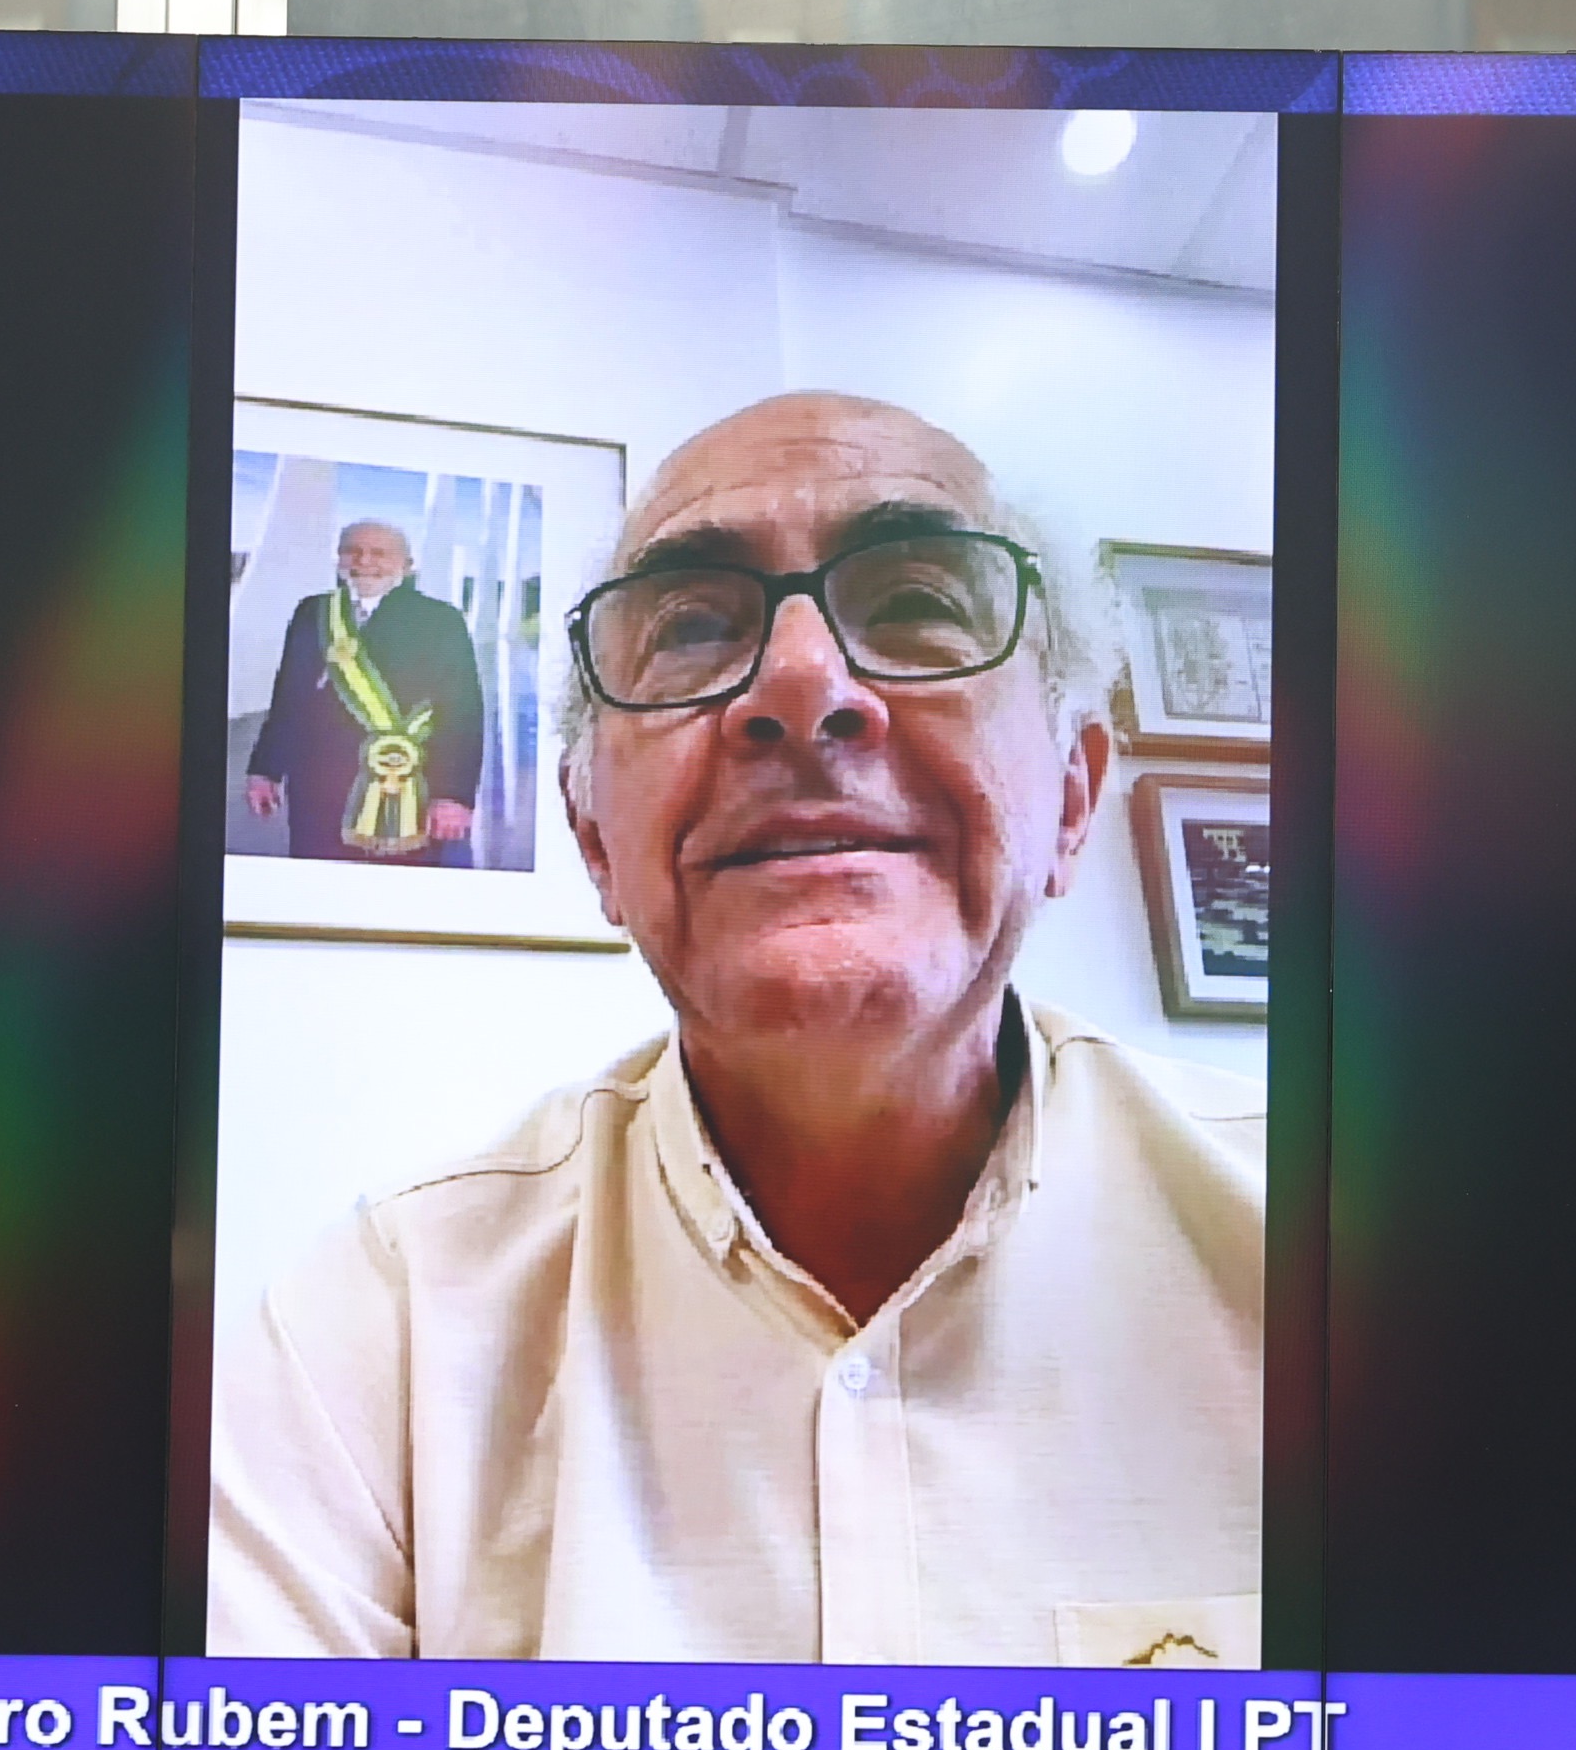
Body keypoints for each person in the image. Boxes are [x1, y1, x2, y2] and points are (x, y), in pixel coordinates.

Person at [210, 391, 1264, 1663]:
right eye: (695, 628)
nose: (802, 684)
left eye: (916, 604)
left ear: (1073, 799)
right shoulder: (378, 1338)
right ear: (596, 839)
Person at [246, 519, 485, 868]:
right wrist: (264, 770)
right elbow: (288, 698)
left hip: (408, 783)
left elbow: (463, 713)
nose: (364, 561)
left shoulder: (440, 619)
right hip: (317, 785)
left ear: (407, 565)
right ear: (339, 558)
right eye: (352, 551)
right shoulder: (312, 612)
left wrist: (453, 795)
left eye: (379, 553)